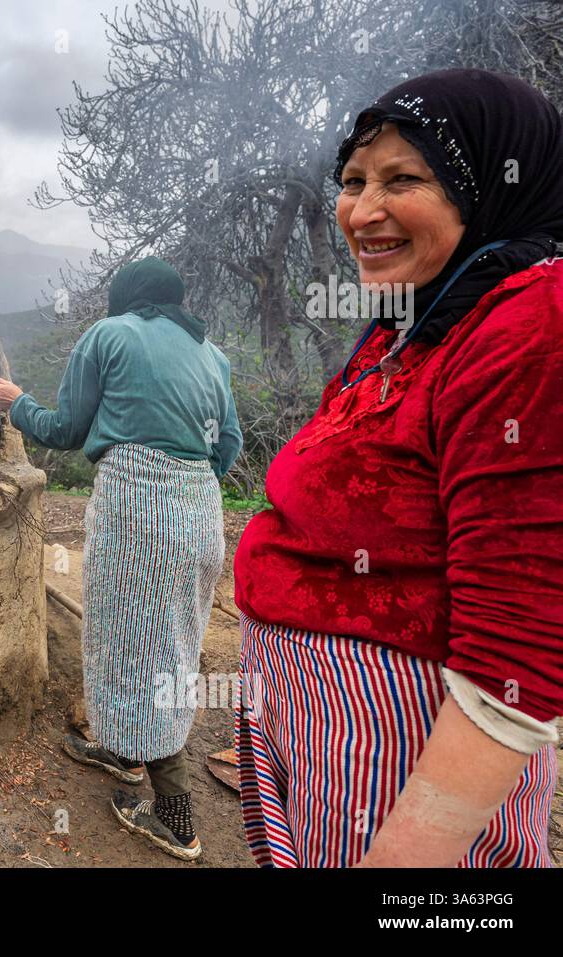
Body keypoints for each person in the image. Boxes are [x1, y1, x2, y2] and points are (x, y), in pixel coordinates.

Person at [232, 69, 563, 868]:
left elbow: (521, 647)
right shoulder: (414, 322)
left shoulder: (533, 324)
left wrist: (410, 855)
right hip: (330, 734)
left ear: (486, 187)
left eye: (404, 178)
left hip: (400, 762)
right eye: (352, 181)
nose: (361, 210)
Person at [0, 257, 241, 860]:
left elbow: (66, 429)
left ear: (126, 296)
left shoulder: (110, 334)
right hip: (200, 510)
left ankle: (175, 817)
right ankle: (125, 754)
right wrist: (187, 478)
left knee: (143, 647)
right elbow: (226, 445)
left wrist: (16, 402)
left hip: (137, 509)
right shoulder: (215, 356)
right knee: (158, 640)